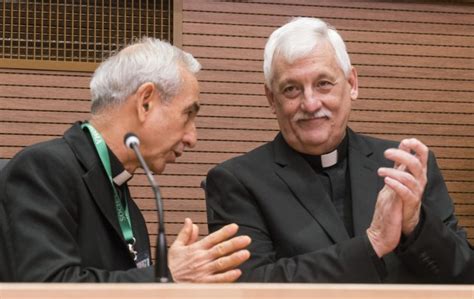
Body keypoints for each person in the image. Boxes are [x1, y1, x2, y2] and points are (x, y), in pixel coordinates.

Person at [205, 17, 473, 283]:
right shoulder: (236, 181)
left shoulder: (404, 167)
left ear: (352, 84)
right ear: (271, 99)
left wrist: (416, 225)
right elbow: (249, 286)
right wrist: (372, 244)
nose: (310, 104)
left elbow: (465, 274)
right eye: (291, 89)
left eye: (323, 83)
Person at [0, 37, 251, 282]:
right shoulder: (44, 169)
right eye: (188, 114)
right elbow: (46, 285)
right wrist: (166, 275)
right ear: (145, 103)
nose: (192, 137)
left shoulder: (126, 202)